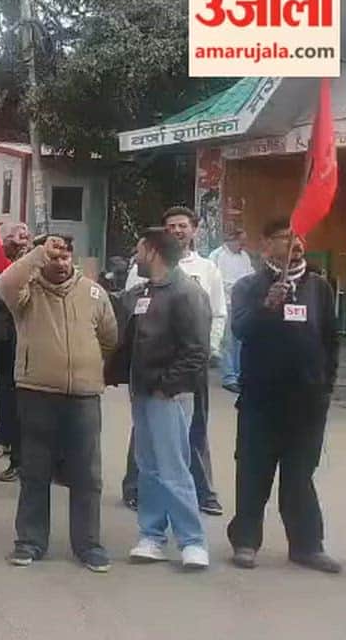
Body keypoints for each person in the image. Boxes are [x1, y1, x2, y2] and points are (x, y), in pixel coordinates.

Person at [0, 235, 118, 572]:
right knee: (35, 472)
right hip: (37, 393)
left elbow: (109, 338)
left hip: (84, 396)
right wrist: (38, 253)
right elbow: (5, 282)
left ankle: (88, 544)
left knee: (87, 474)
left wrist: (86, 367)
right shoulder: (26, 293)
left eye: (66, 257)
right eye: (54, 257)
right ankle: (30, 541)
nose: (61, 263)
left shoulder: (93, 293)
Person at [226, 220, 341, 574]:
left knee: (299, 475)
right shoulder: (249, 286)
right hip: (261, 400)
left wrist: (325, 387)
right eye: (286, 237)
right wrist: (267, 306)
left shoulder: (319, 287)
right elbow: (240, 329)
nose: (296, 243)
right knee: (253, 472)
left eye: (300, 236)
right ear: (266, 244)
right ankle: (246, 541)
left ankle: (307, 546)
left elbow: (330, 340)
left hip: (307, 403)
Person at [115, 228, 212, 569]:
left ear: (153, 252)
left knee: (173, 468)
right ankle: (152, 536)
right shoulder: (144, 291)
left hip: (169, 395)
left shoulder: (187, 292)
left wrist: (167, 386)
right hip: (142, 391)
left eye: (139, 250)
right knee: (149, 467)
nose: (135, 257)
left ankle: (192, 541)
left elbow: (197, 350)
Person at [123, 206, 224, 516]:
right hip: (151, 368)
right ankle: (135, 488)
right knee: (146, 436)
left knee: (194, 428)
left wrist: (209, 349)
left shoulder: (206, 269)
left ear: (194, 230)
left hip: (191, 362)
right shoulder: (142, 269)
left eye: (183, 225)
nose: (178, 231)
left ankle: (202, 492)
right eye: (171, 226)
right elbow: (130, 309)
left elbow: (218, 312)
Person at [0, 222, 31, 481]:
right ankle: (5, 440)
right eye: (17, 236)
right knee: (6, 394)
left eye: (26, 236)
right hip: (3, 340)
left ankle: (23, 458)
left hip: (28, 341)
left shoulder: (33, 265)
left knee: (24, 402)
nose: (22, 240)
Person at [208, 228, 255, 393]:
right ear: (232, 240)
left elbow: (250, 274)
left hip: (242, 303)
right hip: (225, 302)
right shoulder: (217, 256)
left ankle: (240, 374)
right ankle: (229, 377)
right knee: (227, 341)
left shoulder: (244, 256)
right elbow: (214, 280)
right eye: (241, 241)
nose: (243, 245)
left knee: (240, 339)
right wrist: (237, 286)